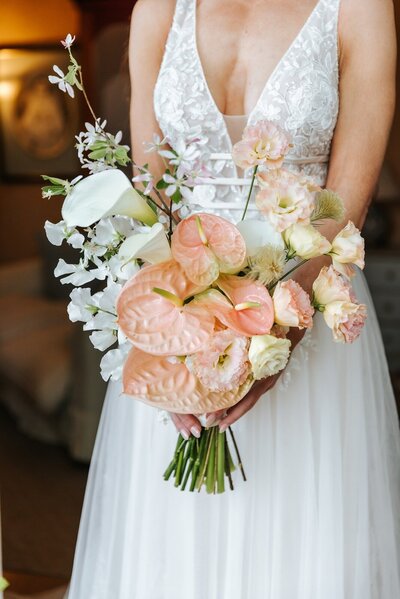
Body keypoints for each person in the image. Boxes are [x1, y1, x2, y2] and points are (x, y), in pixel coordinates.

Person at [66, 1, 400, 597]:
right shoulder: (160, 9)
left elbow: (349, 195)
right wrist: (172, 343)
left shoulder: (360, 7)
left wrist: (282, 327)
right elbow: (152, 196)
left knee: (300, 545)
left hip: (309, 308)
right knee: (171, 554)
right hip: (180, 316)